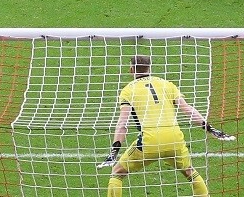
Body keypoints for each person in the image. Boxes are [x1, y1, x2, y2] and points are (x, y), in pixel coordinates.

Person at [99, 55, 234, 197]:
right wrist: (210, 129)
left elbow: (122, 123)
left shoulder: (128, 90)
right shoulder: (167, 84)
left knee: (117, 172)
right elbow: (188, 109)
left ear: (131, 69)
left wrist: (114, 152)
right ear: (149, 68)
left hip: (150, 142)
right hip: (174, 140)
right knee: (189, 171)